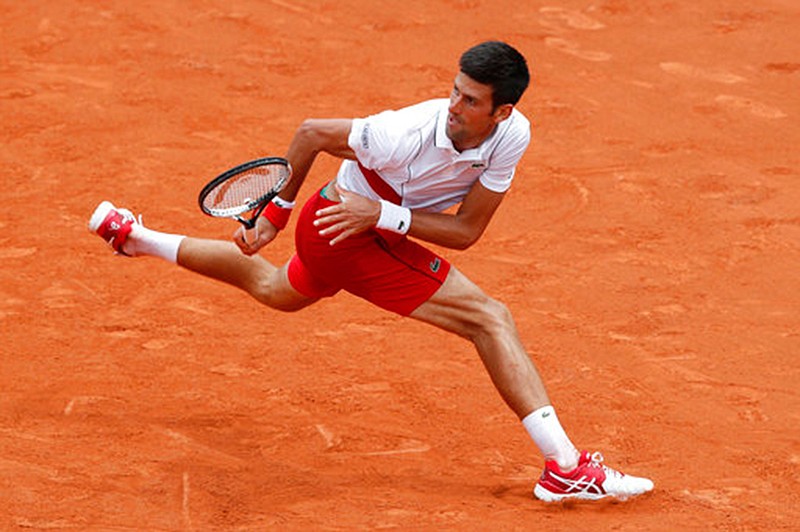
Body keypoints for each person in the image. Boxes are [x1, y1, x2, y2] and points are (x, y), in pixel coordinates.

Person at [88, 41, 653, 502]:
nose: (454, 106)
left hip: (367, 223)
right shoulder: (401, 133)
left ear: (502, 111)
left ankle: (135, 237)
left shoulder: (513, 135)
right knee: (490, 319)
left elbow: (466, 231)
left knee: (275, 288)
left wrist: (380, 213)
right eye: (454, 91)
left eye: (470, 100)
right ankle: (564, 466)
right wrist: (276, 215)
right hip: (340, 228)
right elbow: (311, 133)